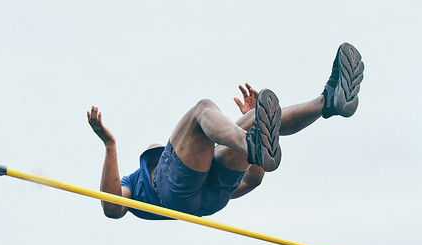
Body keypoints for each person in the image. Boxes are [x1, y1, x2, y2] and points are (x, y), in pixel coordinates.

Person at [87, 42, 364, 220]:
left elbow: (252, 180)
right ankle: (252, 140)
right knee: (202, 109)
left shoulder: (173, 177)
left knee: (254, 121)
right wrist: (110, 145)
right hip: (177, 193)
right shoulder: (134, 184)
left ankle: (328, 101)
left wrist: (254, 123)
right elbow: (111, 207)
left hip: (207, 200)